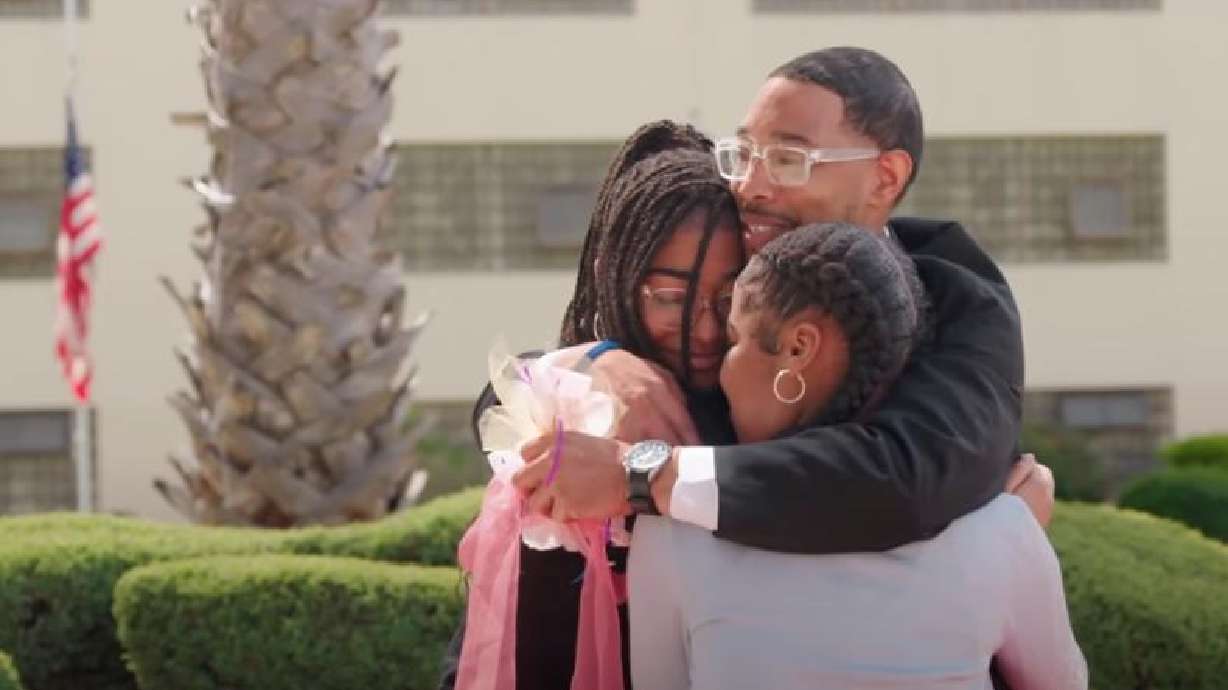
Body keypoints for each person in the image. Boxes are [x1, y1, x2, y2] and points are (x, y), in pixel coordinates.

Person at [514, 46, 1051, 555]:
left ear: (885, 177)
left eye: (789, 160)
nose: (752, 185)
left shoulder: (956, 291)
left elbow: (909, 477)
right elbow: (510, 404)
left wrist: (644, 475)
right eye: (746, 154)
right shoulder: (730, 252)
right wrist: (592, 364)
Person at [629, 222, 1086, 690]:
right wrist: (1008, 540)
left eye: (734, 337)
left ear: (798, 349)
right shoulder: (1000, 528)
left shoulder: (673, 531)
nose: (720, 369)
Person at [439, 120, 744, 690]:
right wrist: (589, 360)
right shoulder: (575, 388)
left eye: (730, 297)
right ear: (617, 279)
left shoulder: (755, 413)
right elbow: (501, 405)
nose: (705, 328)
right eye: (671, 297)